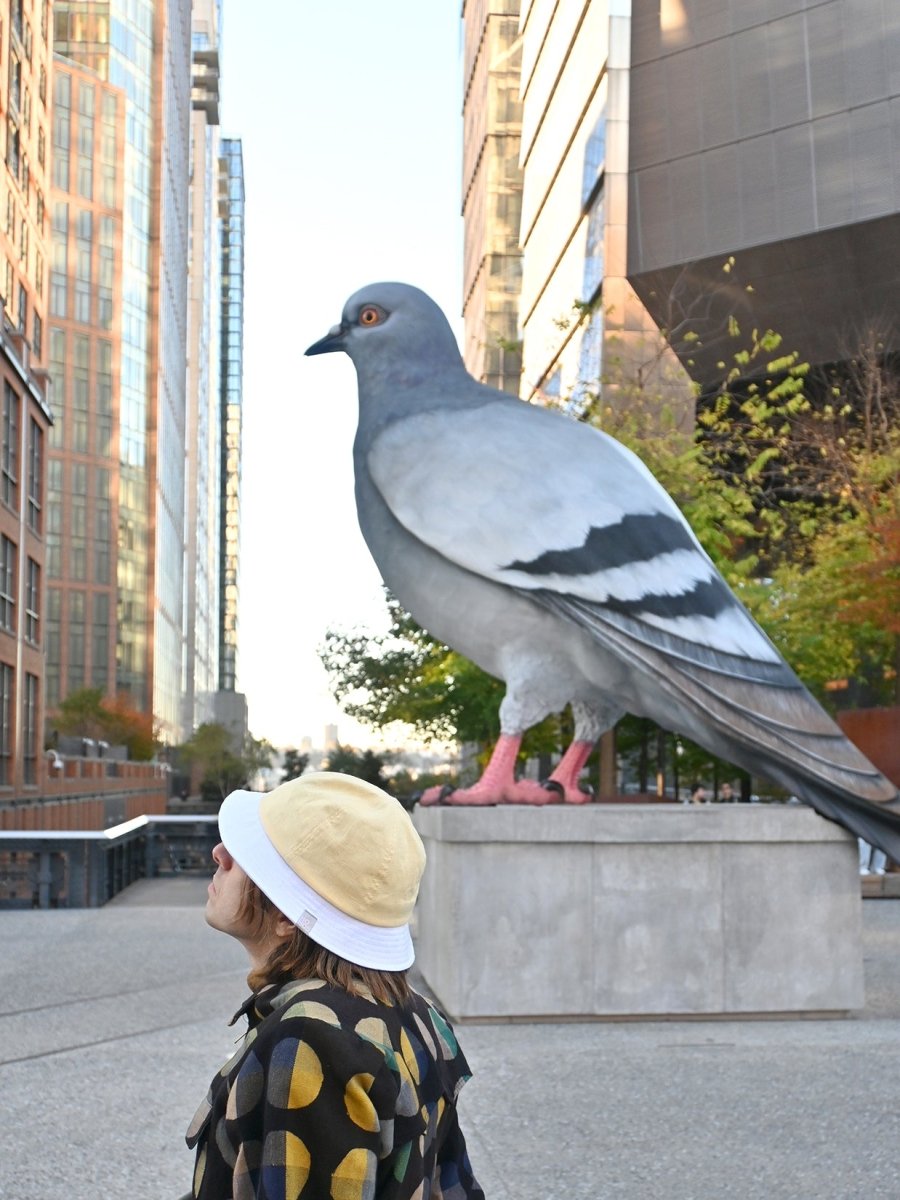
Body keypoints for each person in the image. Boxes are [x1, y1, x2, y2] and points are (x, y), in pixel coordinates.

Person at [185, 771, 484, 1200]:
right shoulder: (415, 1012)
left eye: (247, 855)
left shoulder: (311, 1039)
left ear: (289, 917)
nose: (218, 853)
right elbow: (455, 1187)